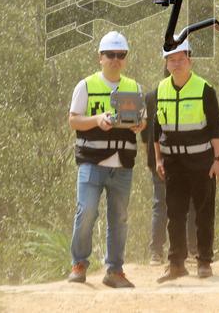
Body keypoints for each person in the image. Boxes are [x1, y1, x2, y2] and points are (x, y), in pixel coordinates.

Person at [67, 31, 145, 288]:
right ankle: (79, 263)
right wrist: (97, 121)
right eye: (110, 55)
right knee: (86, 211)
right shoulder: (86, 85)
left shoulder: (134, 87)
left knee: (119, 218)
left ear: (126, 58)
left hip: (122, 164)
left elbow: (142, 120)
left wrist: (139, 125)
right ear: (100, 57)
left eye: (120, 55)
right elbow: (73, 120)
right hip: (91, 162)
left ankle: (115, 270)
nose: (115, 59)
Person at [152, 39, 219, 281]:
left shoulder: (205, 89)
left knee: (204, 213)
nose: (176, 63)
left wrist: (217, 159)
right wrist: (159, 160)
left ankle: (204, 261)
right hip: (174, 164)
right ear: (166, 63)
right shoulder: (161, 89)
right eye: (172, 59)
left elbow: (216, 128)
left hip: (201, 162)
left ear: (190, 60)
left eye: (181, 58)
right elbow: (156, 130)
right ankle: (176, 264)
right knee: (175, 213)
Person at [143, 90, 197, 266]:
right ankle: (191, 250)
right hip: (181, 156)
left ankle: (156, 252)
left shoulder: (151, 96)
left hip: (159, 158)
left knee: (161, 204)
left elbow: (145, 135)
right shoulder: (192, 92)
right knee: (189, 203)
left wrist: (150, 157)